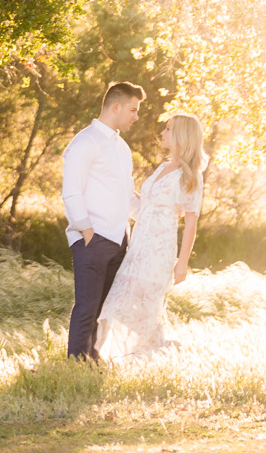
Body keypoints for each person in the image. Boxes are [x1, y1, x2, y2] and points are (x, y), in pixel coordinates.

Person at [94, 112, 205, 359]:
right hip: (138, 246)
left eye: (168, 129)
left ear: (181, 136)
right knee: (120, 305)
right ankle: (161, 350)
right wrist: (119, 186)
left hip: (160, 249)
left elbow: (191, 223)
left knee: (140, 308)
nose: (163, 133)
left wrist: (182, 262)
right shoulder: (164, 167)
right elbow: (145, 208)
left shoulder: (191, 175)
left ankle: (161, 351)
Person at [62, 80, 144, 359]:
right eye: (133, 110)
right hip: (93, 240)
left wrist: (156, 214)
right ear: (116, 106)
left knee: (104, 310)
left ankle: (92, 364)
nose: (136, 116)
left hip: (119, 241)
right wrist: (86, 232)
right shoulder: (85, 142)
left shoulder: (122, 148)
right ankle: (74, 368)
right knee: (87, 308)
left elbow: (127, 196)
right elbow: (71, 191)